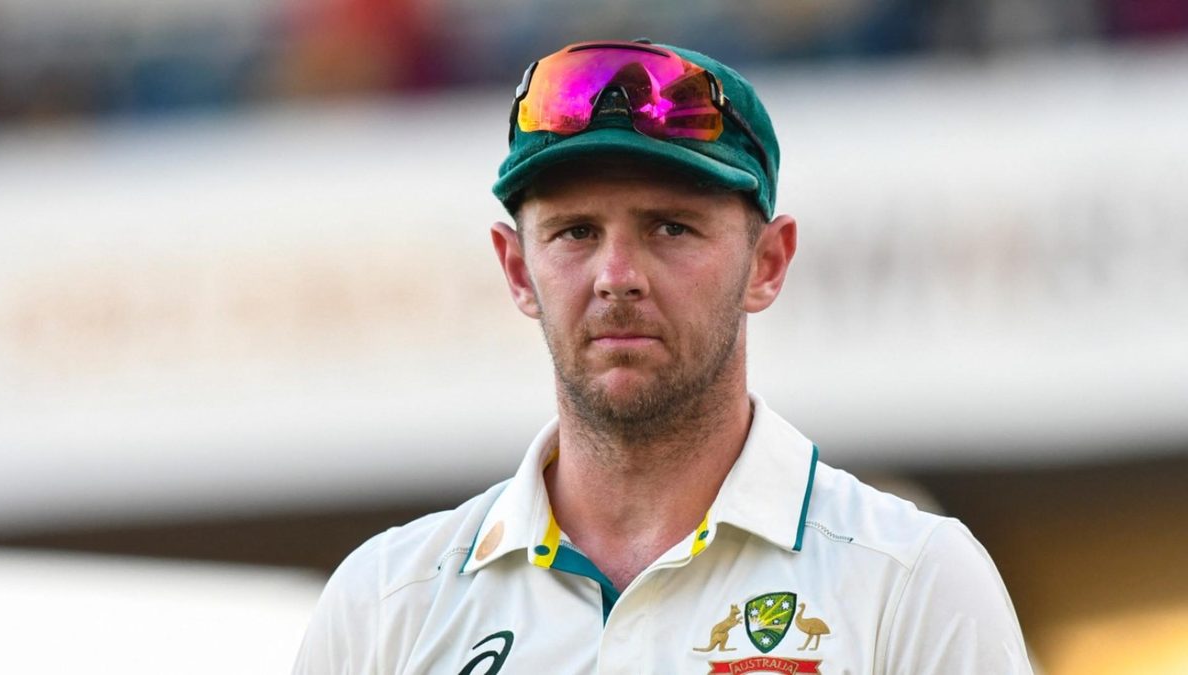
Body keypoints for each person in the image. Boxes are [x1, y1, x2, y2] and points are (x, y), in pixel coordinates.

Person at [293, 39, 1033, 674]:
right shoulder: (384, 603)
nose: (618, 276)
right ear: (517, 270)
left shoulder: (910, 579)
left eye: (671, 228)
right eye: (576, 232)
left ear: (768, 262)